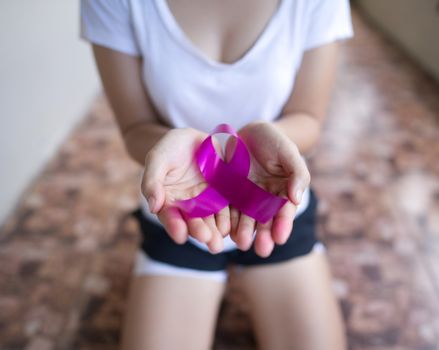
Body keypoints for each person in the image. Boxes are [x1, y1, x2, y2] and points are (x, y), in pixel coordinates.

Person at [80, 0, 353, 349]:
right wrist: (174, 145)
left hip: (273, 202)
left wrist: (270, 142)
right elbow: (134, 128)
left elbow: (309, 119)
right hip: (178, 208)